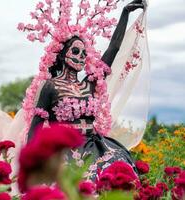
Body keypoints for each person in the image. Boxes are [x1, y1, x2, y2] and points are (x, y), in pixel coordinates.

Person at [25, 0, 146, 180]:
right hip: (64, 151)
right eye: (75, 51)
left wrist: (125, 13)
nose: (81, 57)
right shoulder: (51, 86)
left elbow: (113, 49)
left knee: (119, 167)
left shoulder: (90, 83)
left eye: (84, 53)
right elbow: (35, 127)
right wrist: (33, 163)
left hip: (94, 146)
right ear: (62, 54)